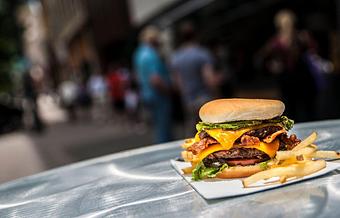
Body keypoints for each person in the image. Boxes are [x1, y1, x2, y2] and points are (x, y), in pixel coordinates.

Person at [260, 10, 318, 122]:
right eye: (284, 23)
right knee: (290, 110)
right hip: (286, 80)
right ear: (279, 24)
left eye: (289, 22)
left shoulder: (301, 36)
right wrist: (272, 66)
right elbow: (263, 58)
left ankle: (312, 134)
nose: (287, 25)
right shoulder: (275, 41)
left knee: (308, 110)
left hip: (304, 79)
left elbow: (314, 51)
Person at [171, 22, 221, 136]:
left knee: (193, 133)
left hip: (187, 100)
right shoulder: (202, 54)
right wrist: (217, 94)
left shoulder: (176, 57)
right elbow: (210, 79)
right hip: (204, 99)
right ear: (196, 35)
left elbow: (177, 83)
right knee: (210, 132)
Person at [133, 26, 172, 143]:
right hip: (159, 95)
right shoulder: (151, 55)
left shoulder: (139, 54)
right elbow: (155, 79)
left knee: (158, 128)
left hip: (148, 95)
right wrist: (168, 90)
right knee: (164, 130)